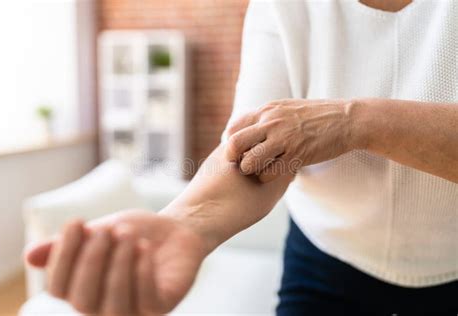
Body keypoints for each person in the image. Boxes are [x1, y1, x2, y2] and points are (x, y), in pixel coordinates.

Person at [26, 0, 458, 315]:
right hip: (325, 262)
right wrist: (184, 224)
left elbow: (341, 125)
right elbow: (254, 155)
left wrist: (355, 121)